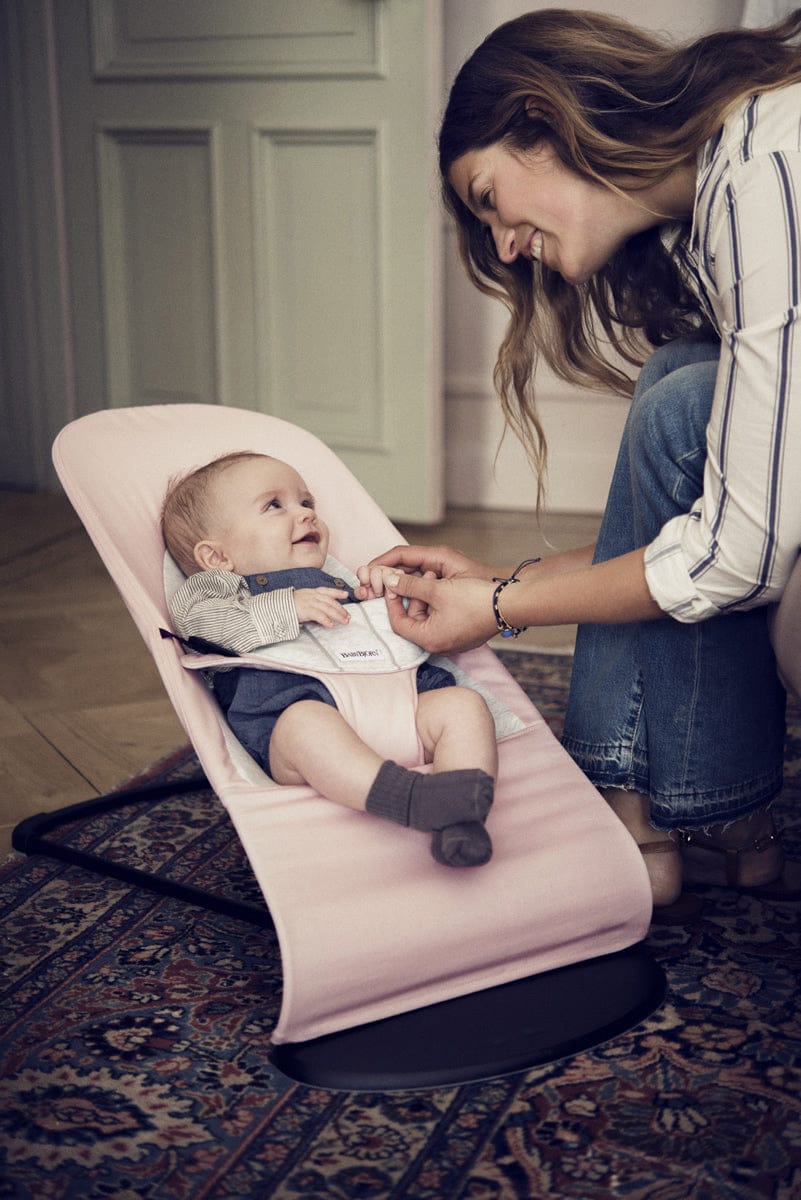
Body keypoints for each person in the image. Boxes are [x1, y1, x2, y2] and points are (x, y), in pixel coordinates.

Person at [360, 8, 801, 915]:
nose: (502, 245)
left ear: (541, 120)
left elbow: (735, 555)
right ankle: (711, 825)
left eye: (488, 200)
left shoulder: (767, 172)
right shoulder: (722, 192)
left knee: (682, 396)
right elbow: (733, 509)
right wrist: (500, 577)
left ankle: (630, 814)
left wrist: (494, 607)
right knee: (684, 389)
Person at [161, 450, 498, 868]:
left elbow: (396, 638)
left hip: (396, 704)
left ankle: (462, 815)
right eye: (274, 505)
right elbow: (200, 624)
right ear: (217, 559)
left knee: (463, 705)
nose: (305, 515)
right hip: (296, 715)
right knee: (306, 727)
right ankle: (411, 799)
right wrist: (289, 607)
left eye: (307, 503)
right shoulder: (215, 592)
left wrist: (387, 600)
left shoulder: (342, 582)